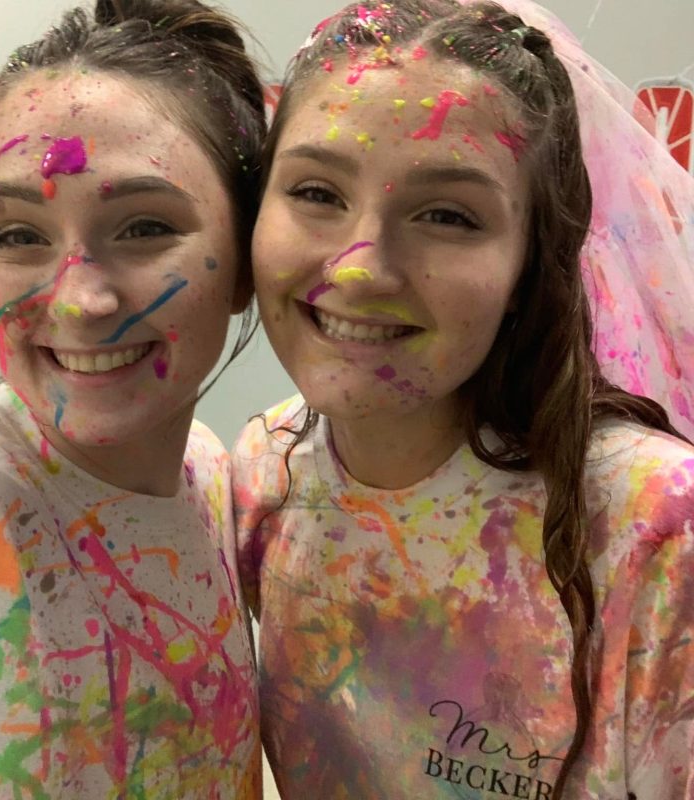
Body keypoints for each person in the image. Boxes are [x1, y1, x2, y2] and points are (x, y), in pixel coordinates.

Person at [232, 1, 694, 798]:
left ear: (528, 264)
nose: (358, 270)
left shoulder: (656, 530)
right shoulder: (261, 475)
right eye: (315, 192)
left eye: (447, 214)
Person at [0, 1, 265, 797]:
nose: (80, 302)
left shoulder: (208, 475)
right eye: (18, 235)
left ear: (246, 263)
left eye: (143, 228)